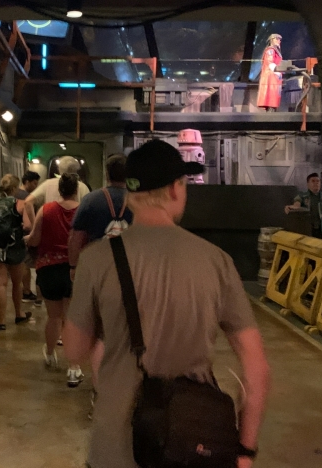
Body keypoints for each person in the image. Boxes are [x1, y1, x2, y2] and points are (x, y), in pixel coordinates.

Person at [63, 139, 271, 468]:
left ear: (130, 194)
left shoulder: (96, 259)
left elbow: (74, 350)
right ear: (176, 189)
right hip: (192, 442)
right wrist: (245, 451)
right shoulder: (216, 260)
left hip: (116, 446)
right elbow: (257, 368)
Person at [67, 153, 134, 413]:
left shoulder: (91, 200)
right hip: (133, 275)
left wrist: (74, 267)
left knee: (100, 335)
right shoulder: (139, 201)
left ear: (107, 173)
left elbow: (76, 237)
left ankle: (100, 392)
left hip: (98, 274)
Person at [25, 173, 85, 388]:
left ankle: (50, 355)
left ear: (60, 190)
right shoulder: (83, 211)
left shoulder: (47, 209)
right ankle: (74, 367)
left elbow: (35, 239)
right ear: (76, 190)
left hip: (49, 269)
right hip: (75, 270)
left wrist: (27, 239)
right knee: (71, 319)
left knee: (54, 317)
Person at [0, 174, 32, 331]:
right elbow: (28, 226)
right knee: (17, 283)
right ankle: (19, 314)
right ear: (15, 188)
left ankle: (1, 321)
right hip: (15, 246)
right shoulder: (21, 204)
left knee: (1, 283)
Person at [23, 155, 90, 228]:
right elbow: (89, 210)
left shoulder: (48, 184)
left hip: (51, 229)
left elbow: (28, 202)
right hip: (73, 229)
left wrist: (35, 226)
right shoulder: (83, 187)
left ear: (59, 169)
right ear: (76, 170)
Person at [15, 171, 42, 302]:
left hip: (15, 234)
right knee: (30, 263)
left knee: (22, 262)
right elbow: (27, 224)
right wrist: (35, 232)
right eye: (34, 183)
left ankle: (25, 290)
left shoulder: (14, 194)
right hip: (26, 234)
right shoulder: (27, 197)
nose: (36, 186)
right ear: (27, 182)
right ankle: (28, 292)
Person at [285, 172, 322, 239]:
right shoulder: (302, 196)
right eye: (313, 181)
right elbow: (297, 204)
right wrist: (292, 207)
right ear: (308, 184)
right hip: (308, 229)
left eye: (318, 181)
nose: (316, 183)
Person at [257, 33, 283, 111]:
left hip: (275, 75)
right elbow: (270, 62)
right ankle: (271, 110)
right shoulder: (270, 50)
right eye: (277, 39)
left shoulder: (275, 50)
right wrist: (277, 71)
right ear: (272, 40)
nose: (279, 41)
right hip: (271, 76)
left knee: (274, 95)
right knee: (272, 95)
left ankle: (272, 109)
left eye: (279, 39)